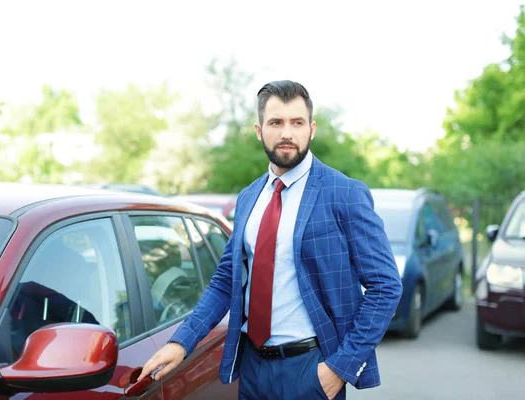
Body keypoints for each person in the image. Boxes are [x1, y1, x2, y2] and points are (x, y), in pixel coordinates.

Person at [139, 80, 403, 399]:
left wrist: (340, 369)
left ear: (312, 129)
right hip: (252, 368)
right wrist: (181, 342)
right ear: (259, 130)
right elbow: (227, 280)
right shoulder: (250, 197)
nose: (287, 133)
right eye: (276, 122)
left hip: (311, 369)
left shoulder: (344, 193)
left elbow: (385, 286)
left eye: (297, 122)